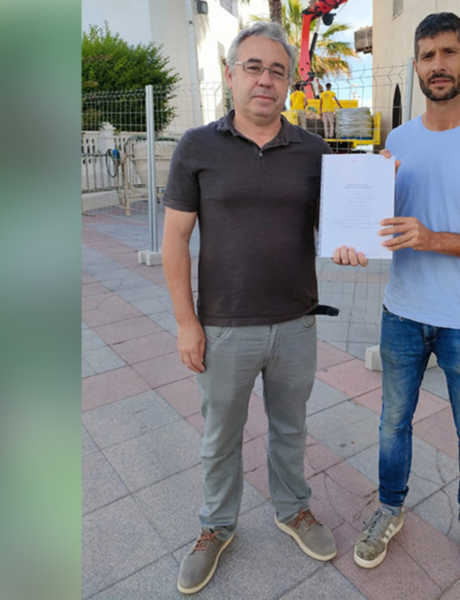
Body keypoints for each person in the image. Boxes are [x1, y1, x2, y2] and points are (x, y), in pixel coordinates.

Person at [337, 12, 460, 596]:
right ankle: (389, 509)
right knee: (393, 423)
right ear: (416, 66)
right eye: (427, 55)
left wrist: (433, 237)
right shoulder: (398, 140)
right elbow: (384, 225)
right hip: (402, 312)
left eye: (448, 52)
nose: (437, 65)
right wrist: (357, 241)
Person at [161, 22, 338, 595]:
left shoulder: (313, 150)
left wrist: (362, 228)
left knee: (291, 427)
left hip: (296, 322)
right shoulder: (197, 147)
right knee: (220, 436)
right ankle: (215, 526)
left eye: (278, 70)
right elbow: (174, 240)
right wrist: (187, 323)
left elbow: (336, 228)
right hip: (224, 326)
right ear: (232, 75)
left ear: (289, 82)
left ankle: (293, 509)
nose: (266, 79)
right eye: (254, 67)